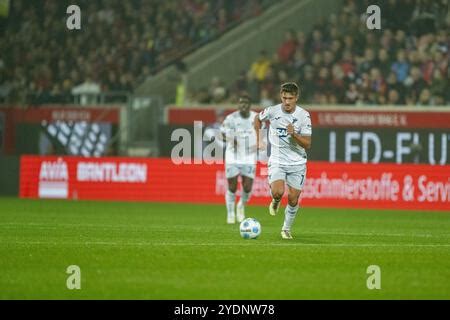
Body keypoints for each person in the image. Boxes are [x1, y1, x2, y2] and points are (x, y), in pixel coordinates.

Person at [254, 82, 312, 240]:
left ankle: (286, 229)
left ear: (296, 98)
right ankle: (275, 199)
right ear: (281, 96)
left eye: (290, 98)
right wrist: (259, 139)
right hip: (278, 159)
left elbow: (307, 144)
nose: (287, 102)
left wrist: (294, 135)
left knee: (293, 198)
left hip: (298, 162)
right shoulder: (272, 111)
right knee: (278, 191)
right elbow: (257, 119)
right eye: (284, 98)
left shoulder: (304, 116)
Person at [220, 93, 259, 224]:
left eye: (246, 103)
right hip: (233, 156)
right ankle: (230, 213)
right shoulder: (231, 118)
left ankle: (241, 206)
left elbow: (261, 132)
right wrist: (231, 139)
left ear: (249, 105)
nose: (243, 105)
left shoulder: (256, 118)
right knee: (232, 186)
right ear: (238, 104)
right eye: (241, 102)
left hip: (249, 156)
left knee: (247, 187)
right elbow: (221, 134)